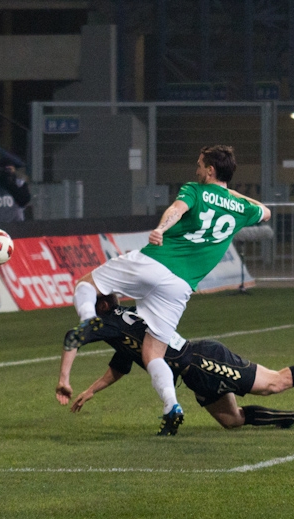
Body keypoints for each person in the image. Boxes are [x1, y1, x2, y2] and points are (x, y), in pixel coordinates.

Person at [72, 145, 271, 435]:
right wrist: (231, 195)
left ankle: (88, 322)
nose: (197, 170)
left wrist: (162, 229)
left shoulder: (195, 189)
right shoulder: (242, 208)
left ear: (211, 170)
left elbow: (177, 209)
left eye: (201, 165)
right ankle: (170, 405)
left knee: (86, 283)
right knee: (153, 353)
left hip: (155, 262)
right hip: (181, 285)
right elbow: (265, 212)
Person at [56, 294, 294, 432]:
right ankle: (288, 418)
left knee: (275, 382)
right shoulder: (125, 323)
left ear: (102, 306)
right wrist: (91, 391)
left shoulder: (106, 321)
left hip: (202, 360)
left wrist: (64, 380)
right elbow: (120, 366)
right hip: (194, 374)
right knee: (231, 420)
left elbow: (73, 337)